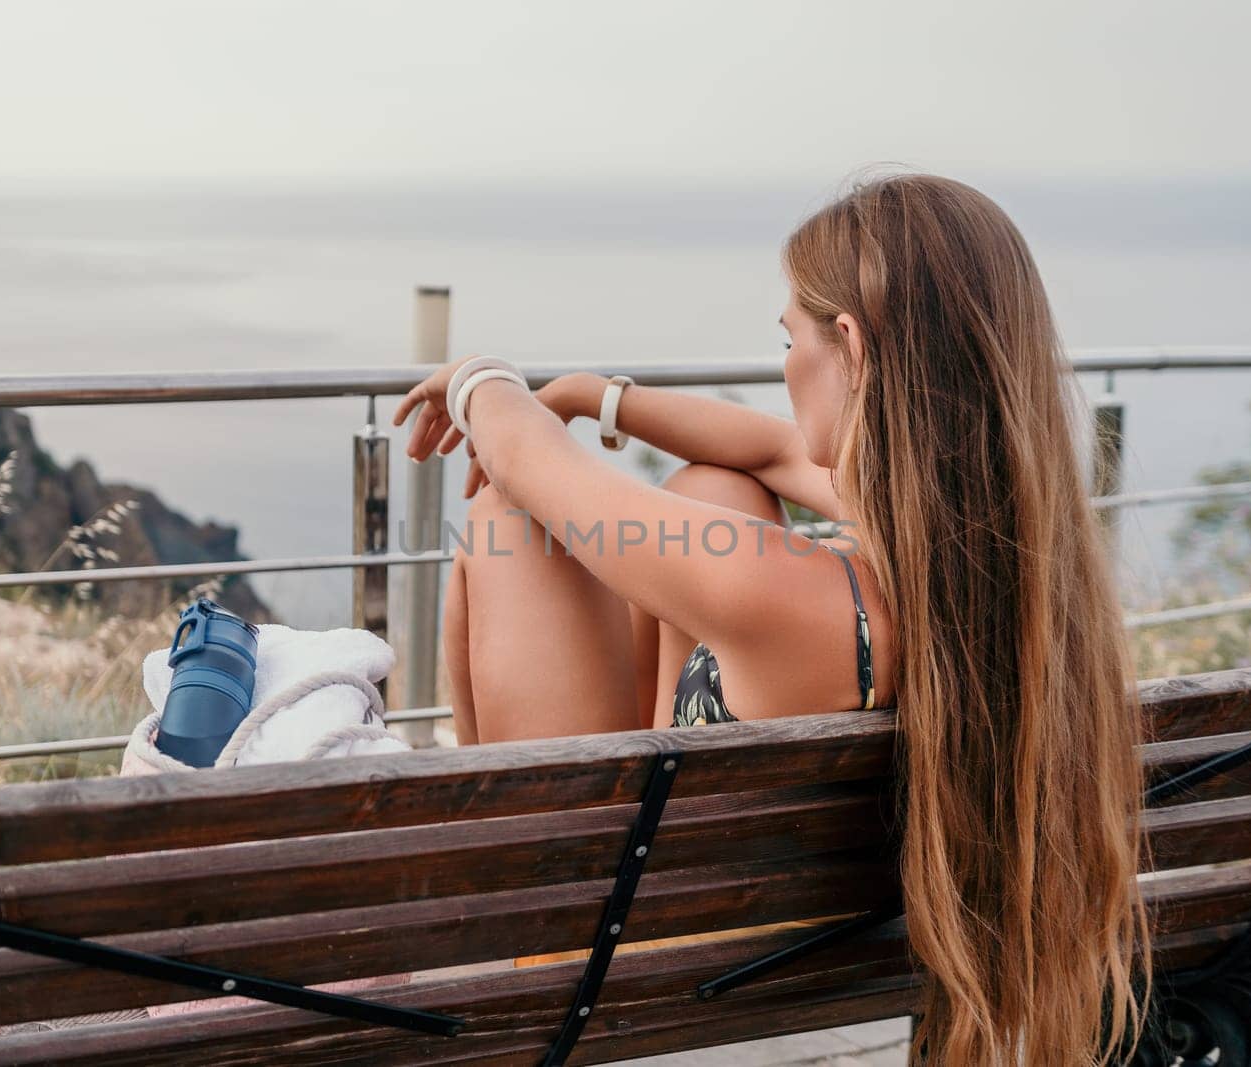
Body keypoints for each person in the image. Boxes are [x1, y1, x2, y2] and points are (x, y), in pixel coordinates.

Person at [393, 173, 1148, 1065]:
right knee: (721, 486)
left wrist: (486, 378)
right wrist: (601, 397)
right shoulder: (987, 558)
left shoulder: (783, 595)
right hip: (778, 919)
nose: (784, 368)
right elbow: (774, 447)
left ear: (852, 348)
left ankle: (490, 892)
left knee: (508, 521)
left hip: (609, 939)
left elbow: (529, 466)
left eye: (788, 339)